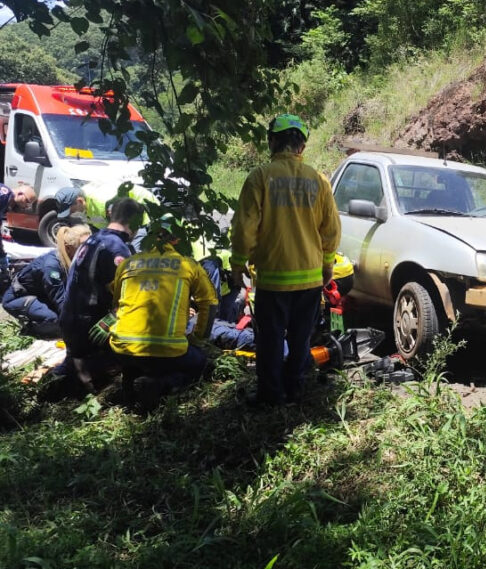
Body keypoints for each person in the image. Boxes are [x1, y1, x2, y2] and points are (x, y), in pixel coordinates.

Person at [230, 114, 340, 406]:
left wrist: (238, 265)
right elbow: (330, 231)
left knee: (270, 341)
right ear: (301, 146)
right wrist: (327, 266)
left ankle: (271, 395)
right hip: (309, 280)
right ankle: (294, 390)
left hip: (274, 279)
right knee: (301, 338)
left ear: (272, 142)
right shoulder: (319, 181)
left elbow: (245, 229)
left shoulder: (260, 177)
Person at [94, 215, 218, 411]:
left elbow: (116, 304)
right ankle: (161, 384)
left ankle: (131, 385)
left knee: (135, 359)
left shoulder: (128, 264)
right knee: (200, 361)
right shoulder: (188, 265)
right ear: (176, 239)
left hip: (124, 348)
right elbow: (210, 304)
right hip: (168, 351)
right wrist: (198, 338)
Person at [57, 197, 143, 393]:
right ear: (136, 222)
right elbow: (127, 296)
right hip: (90, 325)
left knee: (73, 370)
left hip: (71, 319)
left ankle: (67, 378)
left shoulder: (95, 238)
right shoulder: (116, 249)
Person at [1, 225, 92, 338]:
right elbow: (61, 301)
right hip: (18, 298)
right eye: (83, 247)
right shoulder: (52, 266)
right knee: (56, 320)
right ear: (68, 248)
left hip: (42, 294)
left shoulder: (74, 258)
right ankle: (31, 330)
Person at [0, 184, 37, 293]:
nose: (26, 207)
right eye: (27, 202)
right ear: (20, 194)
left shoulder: (6, 198)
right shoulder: (4, 197)